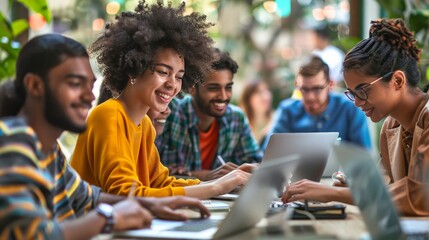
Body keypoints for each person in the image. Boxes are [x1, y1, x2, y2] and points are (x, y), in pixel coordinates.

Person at [0, 34, 210, 239]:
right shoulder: (13, 145)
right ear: (35, 85)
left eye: (90, 86)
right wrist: (109, 218)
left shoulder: (48, 151)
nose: (90, 96)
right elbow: (31, 234)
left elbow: (89, 197)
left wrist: (151, 204)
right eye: (75, 83)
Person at [71, 1, 251, 199]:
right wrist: (216, 187)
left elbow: (160, 182)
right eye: (163, 72)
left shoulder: (145, 125)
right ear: (134, 68)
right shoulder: (110, 115)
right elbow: (124, 194)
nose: (172, 84)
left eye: (179, 76)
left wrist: (224, 182)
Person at [282, 18, 429, 216]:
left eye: (363, 90)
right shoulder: (391, 126)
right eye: (352, 93)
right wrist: (349, 185)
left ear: (397, 80)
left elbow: (420, 196)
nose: (358, 102)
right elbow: (385, 187)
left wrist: (332, 193)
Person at [156, 48, 262, 181]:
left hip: (221, 200)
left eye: (228, 87)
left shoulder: (236, 118)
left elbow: (257, 163)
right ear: (192, 88)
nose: (223, 96)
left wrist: (249, 170)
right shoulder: (169, 112)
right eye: (214, 88)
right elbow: (149, 171)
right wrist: (202, 176)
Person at [264, 55, 371, 150]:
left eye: (317, 89)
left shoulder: (349, 108)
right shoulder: (287, 111)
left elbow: (364, 157)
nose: (310, 97)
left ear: (330, 85)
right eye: (304, 89)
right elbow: (268, 153)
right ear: (296, 85)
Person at [239, 79, 273, 146]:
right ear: (248, 99)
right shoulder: (240, 124)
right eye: (259, 92)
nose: (266, 96)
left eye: (266, 90)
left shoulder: (277, 119)